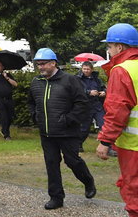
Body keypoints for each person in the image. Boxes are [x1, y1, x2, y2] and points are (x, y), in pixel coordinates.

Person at [28, 47, 95, 210]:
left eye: (43, 64)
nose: (41, 67)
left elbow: (82, 103)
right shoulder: (36, 82)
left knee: (72, 161)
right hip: (47, 133)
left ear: (53, 63)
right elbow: (31, 103)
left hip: (67, 131)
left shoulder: (70, 80)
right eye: (38, 64)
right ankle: (56, 198)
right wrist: (35, 117)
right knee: (51, 163)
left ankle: (88, 181)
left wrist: (68, 119)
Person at [95, 23, 138, 216]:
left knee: (134, 193)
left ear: (119, 47)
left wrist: (105, 141)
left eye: (109, 46)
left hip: (133, 147)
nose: (109, 51)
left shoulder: (122, 70)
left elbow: (116, 111)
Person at [77, 60, 107, 147]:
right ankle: (78, 145)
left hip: (97, 106)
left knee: (104, 125)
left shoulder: (97, 79)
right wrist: (88, 92)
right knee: (84, 129)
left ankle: (107, 146)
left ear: (92, 70)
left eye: (88, 69)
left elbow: (104, 88)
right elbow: (75, 91)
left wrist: (104, 92)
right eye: (84, 69)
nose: (86, 71)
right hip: (85, 106)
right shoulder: (77, 79)